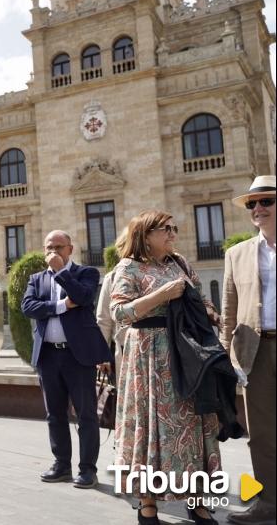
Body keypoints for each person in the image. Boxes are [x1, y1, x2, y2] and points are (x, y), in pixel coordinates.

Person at [109, 210, 221, 525]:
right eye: (166, 229)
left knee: (194, 423)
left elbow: (200, 297)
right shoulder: (128, 267)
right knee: (150, 428)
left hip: (185, 353)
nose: (173, 234)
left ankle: (197, 502)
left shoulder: (179, 263)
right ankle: (148, 507)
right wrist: (161, 294)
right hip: (148, 357)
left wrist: (211, 313)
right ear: (145, 235)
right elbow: (119, 312)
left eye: (174, 228)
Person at [21, 230, 112, 490]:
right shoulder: (36, 279)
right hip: (48, 355)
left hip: (77, 356)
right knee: (55, 414)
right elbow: (28, 307)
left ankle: (87, 470)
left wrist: (62, 273)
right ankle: (61, 464)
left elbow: (83, 298)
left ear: (70, 249)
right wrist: (61, 306)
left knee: (86, 415)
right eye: (49, 247)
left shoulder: (87, 274)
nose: (53, 252)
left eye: (59, 247)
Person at [221, 175, 276, 525]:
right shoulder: (236, 254)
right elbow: (228, 310)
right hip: (256, 351)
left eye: (266, 201)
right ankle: (268, 502)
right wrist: (230, 355)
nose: (257, 209)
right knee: (263, 433)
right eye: (252, 204)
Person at [96, 228, 129, 373]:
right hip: (125, 352)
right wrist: (102, 356)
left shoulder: (165, 271)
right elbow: (104, 320)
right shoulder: (113, 277)